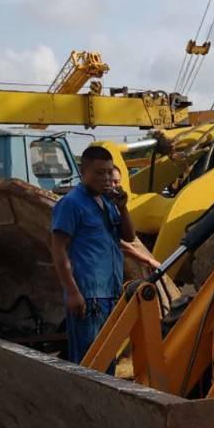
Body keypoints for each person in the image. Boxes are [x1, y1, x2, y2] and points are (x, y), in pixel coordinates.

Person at [50, 145, 136, 369]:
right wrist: (72, 292)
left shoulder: (108, 202)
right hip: (88, 298)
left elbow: (129, 235)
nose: (106, 178)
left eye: (109, 172)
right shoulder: (71, 204)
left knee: (108, 360)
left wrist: (123, 208)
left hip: (110, 294)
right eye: (99, 173)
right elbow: (58, 249)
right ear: (83, 172)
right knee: (89, 364)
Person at [110, 166, 160, 270]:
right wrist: (148, 261)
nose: (113, 187)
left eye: (117, 182)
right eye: (110, 182)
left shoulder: (113, 205)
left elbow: (130, 237)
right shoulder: (92, 207)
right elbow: (117, 243)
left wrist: (123, 208)